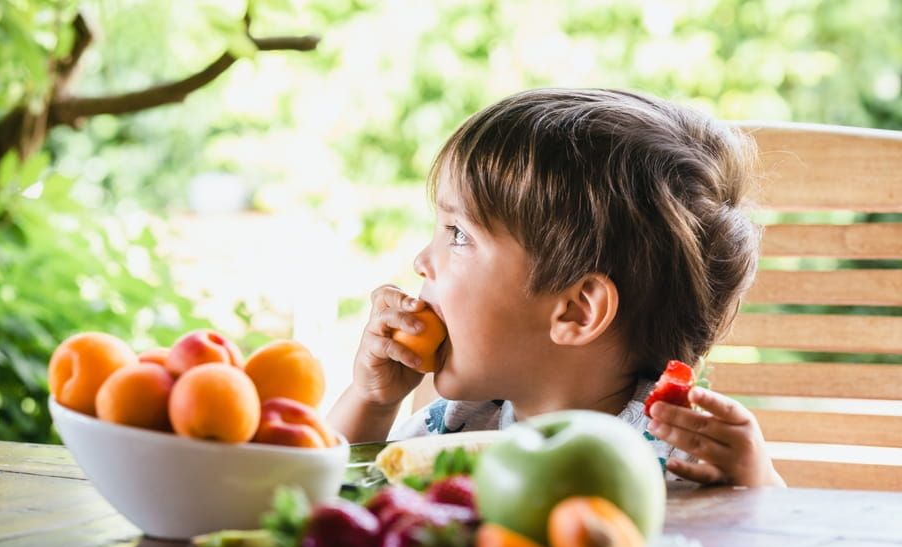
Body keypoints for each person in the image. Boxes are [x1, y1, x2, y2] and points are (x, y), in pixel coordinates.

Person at [328, 88, 784, 487]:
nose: (422, 261)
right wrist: (371, 401)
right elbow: (317, 497)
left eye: (459, 234)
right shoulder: (459, 426)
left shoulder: (675, 453)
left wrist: (756, 483)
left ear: (576, 311)